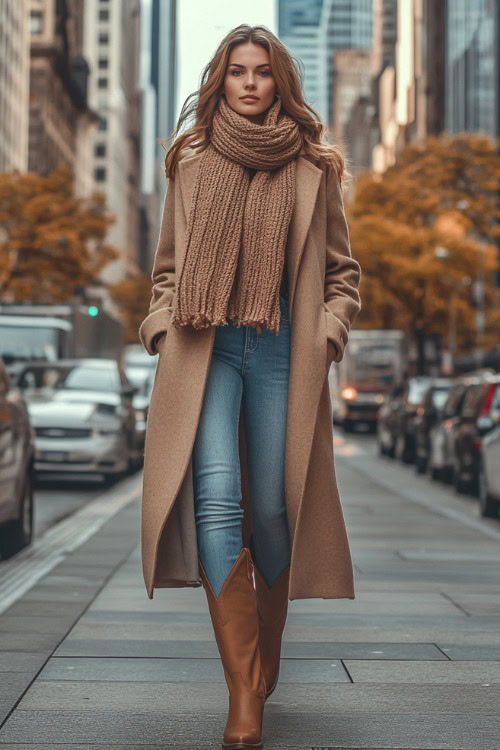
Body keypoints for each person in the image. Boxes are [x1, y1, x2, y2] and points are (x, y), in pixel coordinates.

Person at [140, 24, 361, 750]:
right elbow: (167, 272)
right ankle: (243, 694)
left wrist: (329, 329)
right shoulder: (191, 167)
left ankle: (262, 663)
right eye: (236, 71)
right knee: (215, 501)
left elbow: (342, 274)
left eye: (262, 72)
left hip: (279, 353)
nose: (248, 83)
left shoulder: (312, 171)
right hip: (206, 350)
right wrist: (161, 327)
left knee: (270, 509)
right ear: (221, 80)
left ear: (279, 83)